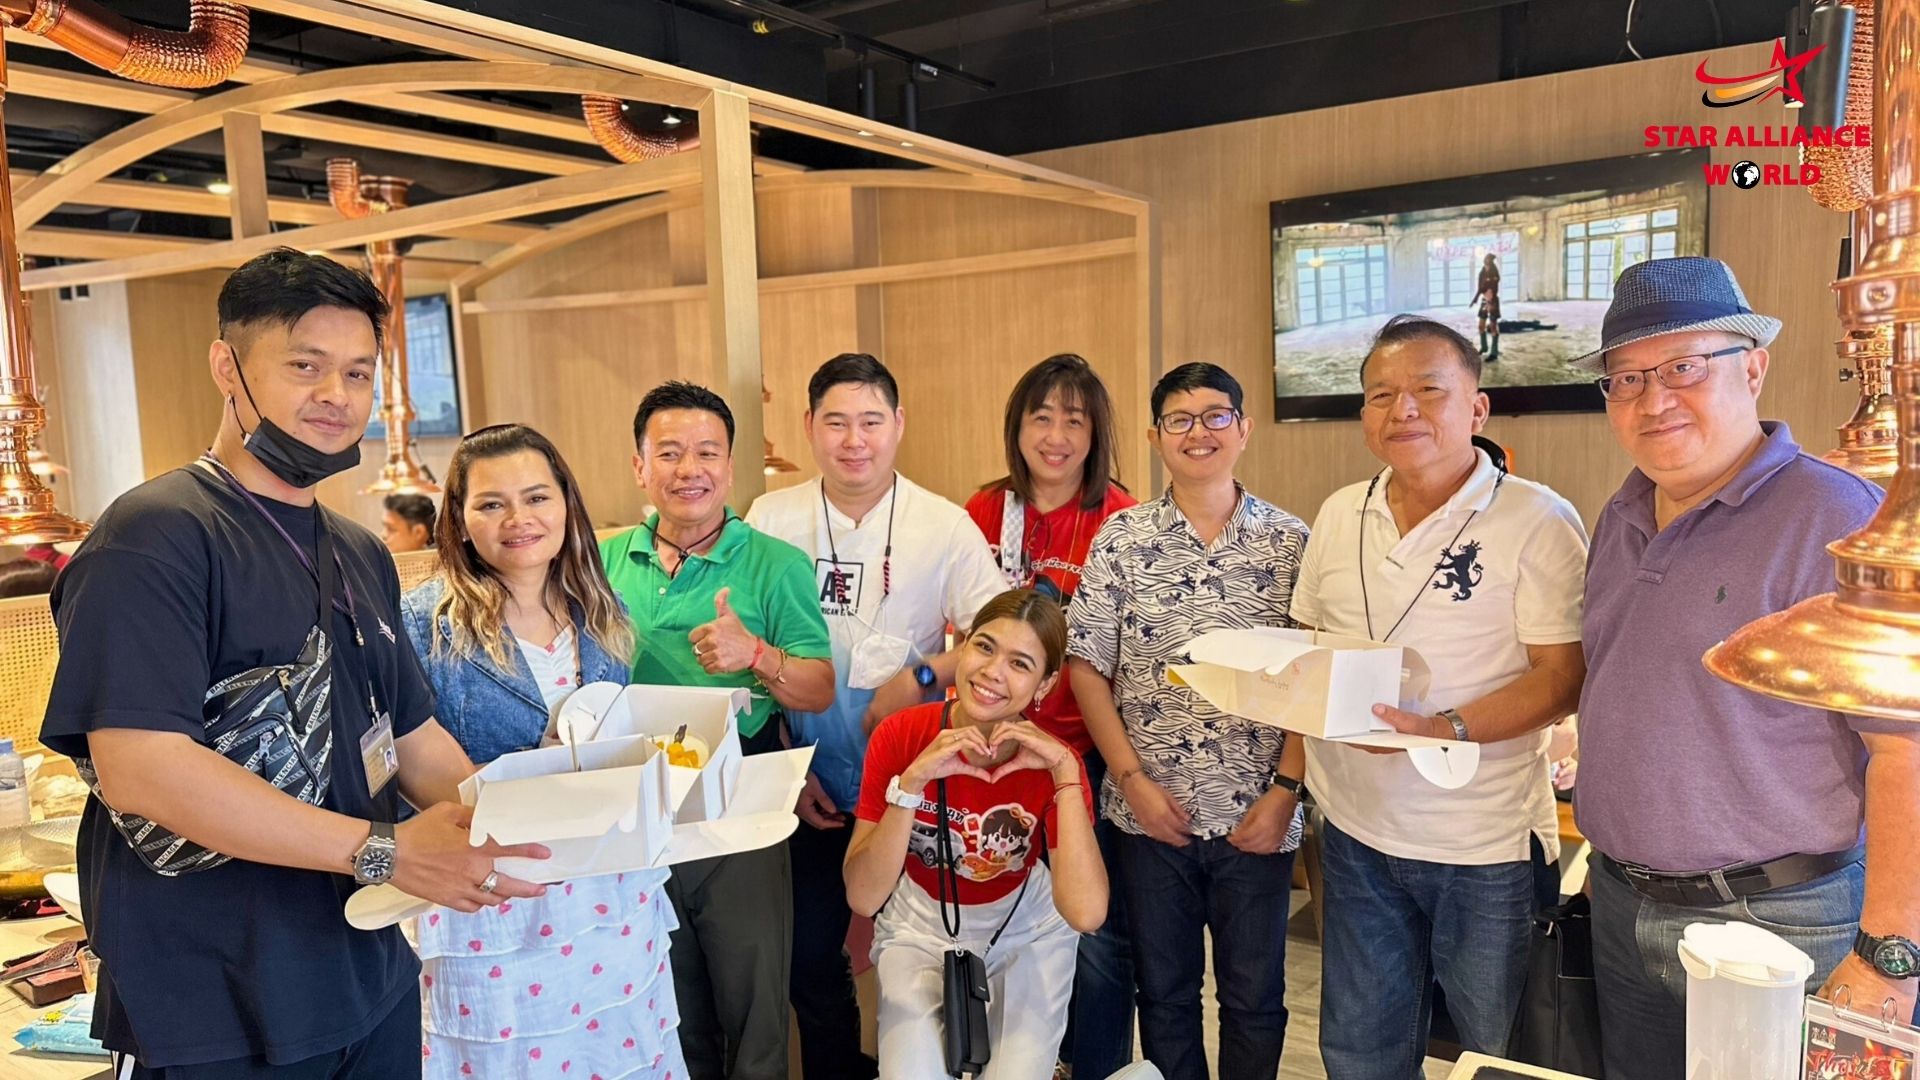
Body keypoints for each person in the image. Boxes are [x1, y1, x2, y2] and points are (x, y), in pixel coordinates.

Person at [38, 248, 545, 1078]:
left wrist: (531, 820)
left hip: (363, 969)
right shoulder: (154, 536)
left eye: (358, 372)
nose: (336, 396)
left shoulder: (359, 551)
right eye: (305, 366)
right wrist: (386, 849)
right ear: (227, 367)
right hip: (215, 998)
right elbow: (142, 768)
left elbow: (410, 737)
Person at [1571, 257, 1920, 1079]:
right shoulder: (1621, 513)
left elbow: (1906, 748)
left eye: (1683, 367)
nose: (1654, 400)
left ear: (1753, 368)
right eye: (1626, 379)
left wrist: (1889, 955)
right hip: (1622, 905)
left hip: (1784, 920)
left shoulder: (1839, 516)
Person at [1290, 315, 1588, 1077]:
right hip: (1353, 831)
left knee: (1497, 1054)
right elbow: (1307, 644)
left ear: (1477, 408)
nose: (1403, 410)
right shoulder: (1338, 512)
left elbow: (1563, 676)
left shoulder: (1536, 518)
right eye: (1381, 395)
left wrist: (1439, 728)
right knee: (1360, 1047)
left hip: (1481, 845)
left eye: (1428, 390)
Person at [744, 353, 1003, 1080]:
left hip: (911, 782)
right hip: (807, 778)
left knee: (919, 956)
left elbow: (1000, 635)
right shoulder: (770, 518)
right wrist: (784, 769)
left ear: (898, 424)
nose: (854, 441)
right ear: (808, 426)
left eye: (870, 421)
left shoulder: (943, 525)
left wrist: (923, 675)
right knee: (808, 958)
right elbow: (749, 658)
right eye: (836, 422)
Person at [401, 423, 686, 1079]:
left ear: (565, 503)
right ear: (460, 520)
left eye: (536, 497)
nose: (518, 519)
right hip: (493, 891)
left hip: (606, 889)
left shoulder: (601, 608)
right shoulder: (424, 623)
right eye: (491, 503)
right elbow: (406, 763)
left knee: (612, 1052)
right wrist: (537, 775)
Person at [1067, 362, 1310, 1080]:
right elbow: (1086, 667)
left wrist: (1286, 790)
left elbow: (1315, 676)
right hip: (1151, 816)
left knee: (1255, 1000)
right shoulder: (1121, 538)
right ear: (1155, 436)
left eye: (1215, 415)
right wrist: (1132, 781)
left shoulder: (1291, 541)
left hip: (1257, 812)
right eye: (1180, 419)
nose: (1198, 432)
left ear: (1244, 428)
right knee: (1165, 996)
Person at [600, 380, 834, 1080]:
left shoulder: (776, 564)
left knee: (753, 1006)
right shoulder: (598, 561)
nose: (689, 469)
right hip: (631, 803)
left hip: (738, 794)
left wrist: (755, 654)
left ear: (730, 468)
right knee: (663, 1001)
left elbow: (819, 688)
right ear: (639, 466)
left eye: (707, 452)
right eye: (669, 452)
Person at [844, 588, 1107, 1079]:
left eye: (1020, 664)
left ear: (1046, 684)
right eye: (984, 647)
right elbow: (863, 896)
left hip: (1027, 928)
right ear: (962, 648)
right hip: (920, 923)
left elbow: (1087, 913)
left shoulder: (1054, 760)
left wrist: (1067, 778)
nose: (992, 672)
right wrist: (912, 785)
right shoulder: (902, 735)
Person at [963, 353, 1138, 1079]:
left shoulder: (1120, 518)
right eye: (1041, 417)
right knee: (998, 914)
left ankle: (1093, 1065)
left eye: (1074, 420)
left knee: (1094, 933)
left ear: (1096, 434)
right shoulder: (985, 511)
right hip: (992, 749)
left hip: (1080, 754)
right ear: (1017, 427)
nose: (1057, 436)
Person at [1472, 253, 1502, 361]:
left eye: (1489, 260)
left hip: (1493, 301)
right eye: (1486, 260)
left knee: (1493, 326)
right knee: (1481, 326)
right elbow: (1480, 287)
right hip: (1484, 301)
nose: (1487, 262)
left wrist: (1491, 295)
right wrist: (1476, 298)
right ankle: (1484, 347)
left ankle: (1494, 352)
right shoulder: (1482, 272)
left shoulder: (1494, 272)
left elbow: (1494, 286)